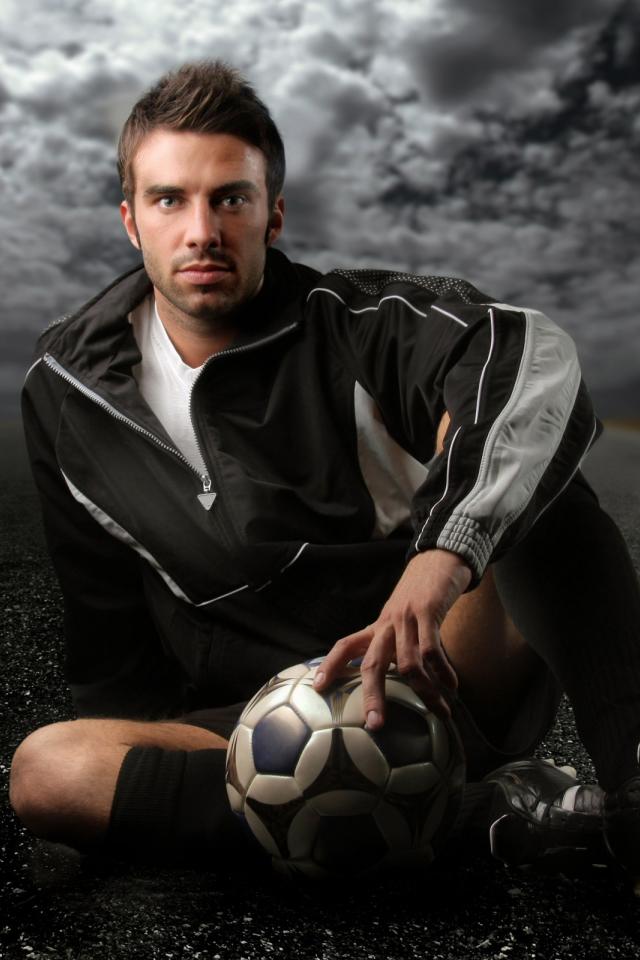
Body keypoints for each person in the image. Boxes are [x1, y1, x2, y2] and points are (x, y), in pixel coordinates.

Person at [9, 60, 640, 880]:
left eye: (230, 198)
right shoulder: (68, 390)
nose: (201, 230)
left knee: (526, 461)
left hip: (438, 676)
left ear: (273, 214)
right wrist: (138, 779)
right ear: (131, 220)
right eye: (169, 200)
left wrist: (441, 557)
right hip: (263, 727)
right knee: (50, 772)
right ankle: (485, 819)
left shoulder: (359, 324)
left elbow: (531, 359)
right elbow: (107, 629)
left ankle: (630, 786)